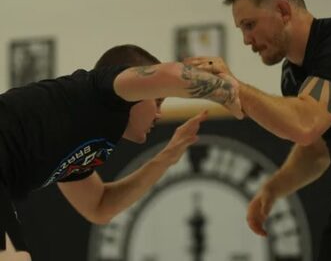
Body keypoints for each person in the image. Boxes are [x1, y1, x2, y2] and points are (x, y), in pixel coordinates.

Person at [184, 0, 331, 260]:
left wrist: (232, 87)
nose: (246, 39)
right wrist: (273, 188)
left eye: (250, 25)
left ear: (284, 11)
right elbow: (316, 150)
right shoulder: (292, 75)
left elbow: (305, 125)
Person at [0, 44, 243, 261]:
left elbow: (99, 207)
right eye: (157, 101)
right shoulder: (103, 90)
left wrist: (166, 158)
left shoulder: (88, 132)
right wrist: (229, 91)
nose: (159, 114)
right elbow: (170, 74)